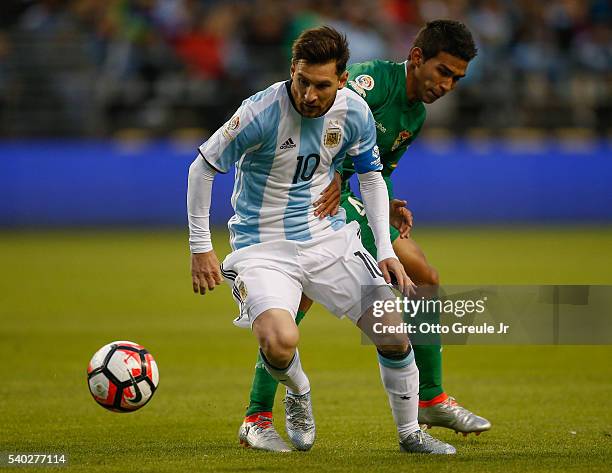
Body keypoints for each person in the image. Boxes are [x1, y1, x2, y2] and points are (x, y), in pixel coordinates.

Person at [188, 26, 456, 454]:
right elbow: (202, 168)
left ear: (342, 81)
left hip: (326, 237)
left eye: (322, 86)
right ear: (292, 71)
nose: (310, 95)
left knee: (392, 329)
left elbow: (370, 176)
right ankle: (298, 393)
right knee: (280, 340)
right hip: (262, 246)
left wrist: (385, 251)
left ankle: (410, 434)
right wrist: (201, 247)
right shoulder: (259, 112)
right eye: (303, 82)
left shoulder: (353, 112)